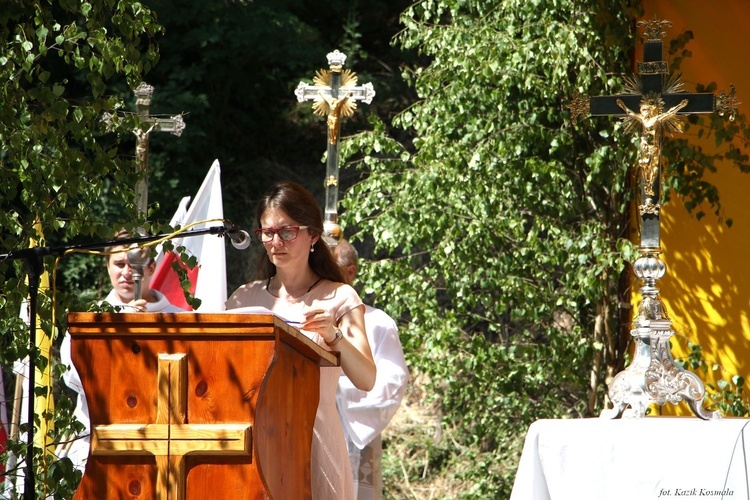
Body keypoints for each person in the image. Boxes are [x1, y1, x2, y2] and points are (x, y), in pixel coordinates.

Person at [225, 181, 376, 500]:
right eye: (267, 232)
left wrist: (334, 337)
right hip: (252, 443)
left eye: (287, 231)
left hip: (314, 442)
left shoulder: (339, 297)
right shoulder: (243, 298)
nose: (275, 241)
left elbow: (366, 378)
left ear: (313, 236)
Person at [59, 231, 186, 471]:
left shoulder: (180, 318)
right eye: (119, 263)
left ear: (150, 267)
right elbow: (73, 376)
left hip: (160, 442)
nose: (127, 272)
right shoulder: (89, 321)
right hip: (98, 441)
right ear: (108, 266)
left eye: (134, 263)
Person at [334, 240, 409, 499]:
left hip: (354, 437)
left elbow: (392, 384)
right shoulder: (306, 317)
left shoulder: (377, 323)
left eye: (330, 268)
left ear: (351, 272)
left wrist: (333, 394)